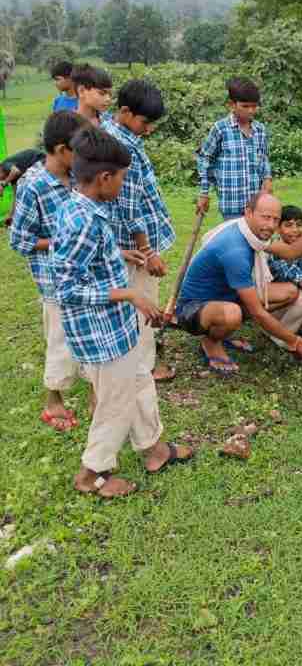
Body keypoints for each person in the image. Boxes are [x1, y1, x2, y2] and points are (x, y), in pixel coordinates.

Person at [52, 126, 192, 499]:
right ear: (104, 178)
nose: (123, 186)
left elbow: (89, 261)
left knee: (139, 380)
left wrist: (119, 255)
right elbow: (65, 288)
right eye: (122, 179)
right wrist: (129, 292)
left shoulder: (86, 209)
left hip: (115, 328)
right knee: (115, 404)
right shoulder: (83, 221)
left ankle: (154, 449)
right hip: (101, 333)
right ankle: (92, 474)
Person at [176, 193, 302, 377]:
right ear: (248, 212)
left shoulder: (251, 233)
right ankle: (211, 342)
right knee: (234, 314)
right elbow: (257, 312)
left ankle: (226, 331)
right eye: (265, 217)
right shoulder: (235, 251)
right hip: (193, 308)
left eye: (275, 219)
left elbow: (291, 252)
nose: (271, 225)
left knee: (289, 292)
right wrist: (298, 343)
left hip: (226, 295)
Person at [9, 111, 89, 430]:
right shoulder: (34, 185)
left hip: (83, 274)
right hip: (55, 281)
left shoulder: (76, 178)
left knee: (85, 333)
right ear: (59, 149)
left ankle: (96, 391)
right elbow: (20, 240)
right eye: (78, 150)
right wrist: (60, 240)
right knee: (60, 341)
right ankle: (53, 400)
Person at [102, 80, 177, 382]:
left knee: (130, 303)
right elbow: (132, 209)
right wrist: (148, 253)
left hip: (123, 243)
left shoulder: (110, 132)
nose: (148, 129)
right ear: (124, 111)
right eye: (144, 122)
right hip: (136, 247)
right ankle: (144, 369)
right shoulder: (123, 149)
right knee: (143, 303)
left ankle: (132, 364)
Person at [196, 76, 272, 221]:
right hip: (232, 206)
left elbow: (264, 158)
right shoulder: (221, 129)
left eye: (254, 106)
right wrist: (204, 193)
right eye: (245, 106)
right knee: (235, 242)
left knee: (257, 242)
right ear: (231, 105)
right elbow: (204, 158)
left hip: (256, 205)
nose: (251, 111)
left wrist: (267, 179)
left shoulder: (260, 130)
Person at [0, 148, 44, 227]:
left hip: (39, 160)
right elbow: (16, 197)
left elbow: (16, 171)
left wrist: (3, 184)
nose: (1, 180)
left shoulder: (5, 165)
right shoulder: (11, 177)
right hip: (36, 167)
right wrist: (11, 216)